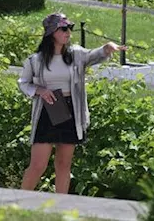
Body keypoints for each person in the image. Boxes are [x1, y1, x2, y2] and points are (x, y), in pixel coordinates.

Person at [18, 12, 124, 194]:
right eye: (64, 28)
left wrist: (107, 47)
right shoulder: (35, 60)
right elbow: (23, 83)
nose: (68, 32)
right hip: (47, 110)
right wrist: (40, 90)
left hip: (70, 110)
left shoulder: (76, 54)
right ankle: (16, 203)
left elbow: (94, 55)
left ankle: (60, 208)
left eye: (70, 28)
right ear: (52, 32)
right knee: (38, 165)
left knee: (64, 164)